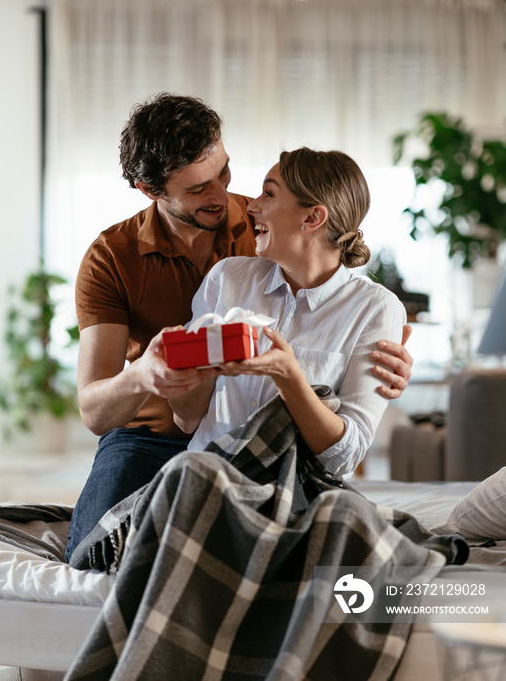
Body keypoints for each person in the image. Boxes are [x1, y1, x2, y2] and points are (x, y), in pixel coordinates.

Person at [65, 93, 413, 563]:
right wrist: (145, 375)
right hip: (148, 436)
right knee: (95, 557)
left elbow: (339, 280)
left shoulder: (269, 223)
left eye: (223, 173)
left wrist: (379, 365)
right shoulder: (113, 257)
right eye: (196, 189)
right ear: (151, 191)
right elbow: (95, 410)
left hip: (263, 446)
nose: (224, 197)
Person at [168, 147, 407, 473]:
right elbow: (186, 419)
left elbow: (346, 457)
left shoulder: (375, 309)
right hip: (206, 476)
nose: (251, 206)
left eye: (269, 194)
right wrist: (195, 366)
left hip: (292, 489)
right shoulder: (227, 279)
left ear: (312, 218)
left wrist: (288, 376)